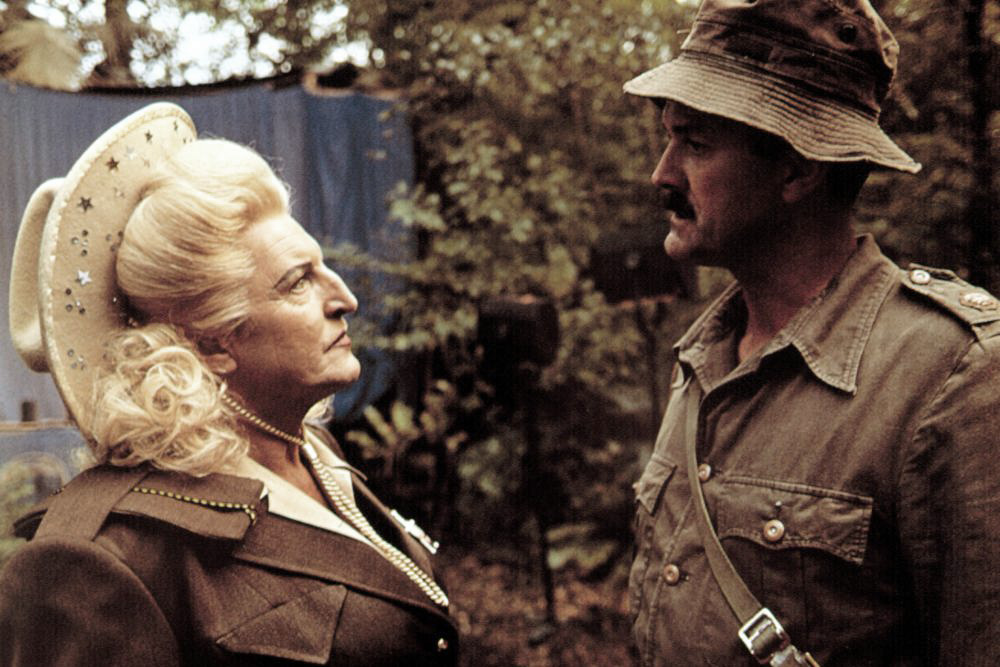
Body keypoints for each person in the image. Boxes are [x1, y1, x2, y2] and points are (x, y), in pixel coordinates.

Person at [0, 103, 457, 666]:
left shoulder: (312, 452)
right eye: (298, 283)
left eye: (323, 268)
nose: (345, 299)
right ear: (212, 341)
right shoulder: (95, 559)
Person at [623, 1, 1000, 665]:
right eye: (669, 138)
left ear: (798, 168)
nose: (663, 173)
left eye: (695, 143)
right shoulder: (704, 359)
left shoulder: (953, 377)